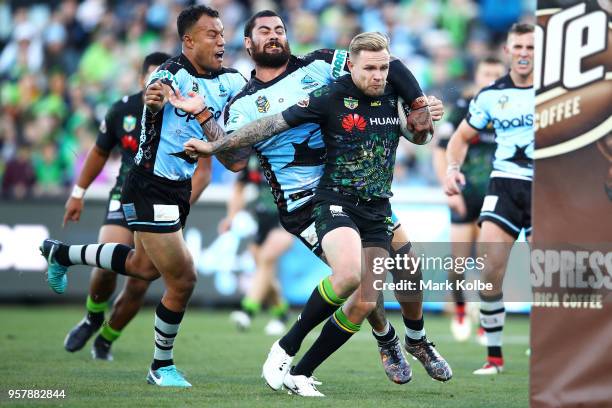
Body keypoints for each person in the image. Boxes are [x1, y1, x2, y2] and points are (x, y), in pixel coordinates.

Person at [184, 28, 452, 396]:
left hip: (376, 205)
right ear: (350, 66)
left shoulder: (391, 91)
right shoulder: (328, 95)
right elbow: (270, 125)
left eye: (382, 68)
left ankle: (412, 339)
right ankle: (302, 347)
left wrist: (423, 113)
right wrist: (214, 145)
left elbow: (418, 135)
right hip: (326, 200)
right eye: (369, 68)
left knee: (404, 269)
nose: (377, 75)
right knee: (356, 284)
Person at [40, 5, 246, 387]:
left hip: (177, 188)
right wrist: (156, 102)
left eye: (222, 33)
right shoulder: (169, 77)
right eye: (211, 34)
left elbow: (233, 156)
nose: (221, 40)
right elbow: (155, 101)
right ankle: (160, 366)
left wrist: (209, 120)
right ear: (188, 41)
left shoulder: (231, 81)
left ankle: (62, 253)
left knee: (143, 268)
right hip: (149, 185)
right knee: (183, 280)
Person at [61, 52, 212, 361]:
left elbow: (205, 173)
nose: (163, 84)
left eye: (169, 78)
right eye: (157, 77)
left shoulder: (189, 111)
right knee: (108, 261)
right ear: (145, 79)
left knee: (141, 279)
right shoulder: (123, 110)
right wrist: (78, 193)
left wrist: (180, 209)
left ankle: (106, 337)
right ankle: (92, 316)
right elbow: (99, 152)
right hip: (126, 192)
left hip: (165, 200)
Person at [444, 23, 534, 375]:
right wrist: (452, 168)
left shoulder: (560, 95)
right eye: (519, 46)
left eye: (531, 46)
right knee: (489, 272)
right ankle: (494, 358)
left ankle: (550, 348)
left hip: (550, 187)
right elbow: (460, 138)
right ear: (509, 50)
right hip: (504, 186)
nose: (524, 52)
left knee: (546, 274)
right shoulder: (491, 96)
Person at [432, 56, 505, 342]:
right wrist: (449, 189)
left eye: (496, 74)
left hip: (497, 196)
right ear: (477, 75)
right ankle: (461, 308)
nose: (491, 78)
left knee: (491, 265)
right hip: (466, 195)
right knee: (457, 266)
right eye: (486, 72)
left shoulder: (509, 110)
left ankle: (487, 324)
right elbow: (440, 149)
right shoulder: (463, 108)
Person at [226, 155, 293, 335]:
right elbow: (239, 186)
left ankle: (247, 310)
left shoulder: (287, 151)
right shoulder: (253, 158)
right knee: (264, 270)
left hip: (287, 219)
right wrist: (231, 216)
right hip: (262, 220)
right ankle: (282, 314)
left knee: (266, 258)